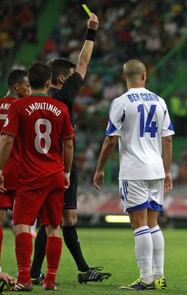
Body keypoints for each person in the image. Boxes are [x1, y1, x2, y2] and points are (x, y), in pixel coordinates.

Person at [30, 13, 111, 284]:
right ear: (62, 78)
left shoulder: (32, 101)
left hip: (35, 163)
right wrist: (91, 32)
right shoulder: (64, 96)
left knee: (66, 217)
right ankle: (35, 272)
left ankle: (82, 269)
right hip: (60, 165)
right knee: (54, 219)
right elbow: (84, 62)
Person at [93, 59, 174, 291]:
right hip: (156, 169)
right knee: (153, 223)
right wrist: (167, 171)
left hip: (134, 170)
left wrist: (99, 169)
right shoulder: (160, 101)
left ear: (124, 76)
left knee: (139, 225)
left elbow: (110, 140)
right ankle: (159, 276)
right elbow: (167, 139)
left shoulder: (121, 102)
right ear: (145, 75)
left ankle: (146, 278)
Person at [0, 62, 74, 291]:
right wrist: (67, 172)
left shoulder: (19, 106)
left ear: (29, 83)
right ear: (49, 82)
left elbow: (8, 139)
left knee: (21, 224)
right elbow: (69, 143)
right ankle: (50, 280)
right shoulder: (61, 108)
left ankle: (24, 278)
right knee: (53, 226)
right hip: (54, 173)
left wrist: (0, 169)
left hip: (30, 175)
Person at [0, 70, 30, 271]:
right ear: (17, 87)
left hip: (1, 170)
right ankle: (25, 274)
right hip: (21, 171)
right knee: (22, 224)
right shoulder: (23, 108)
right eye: (27, 86)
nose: (29, 90)